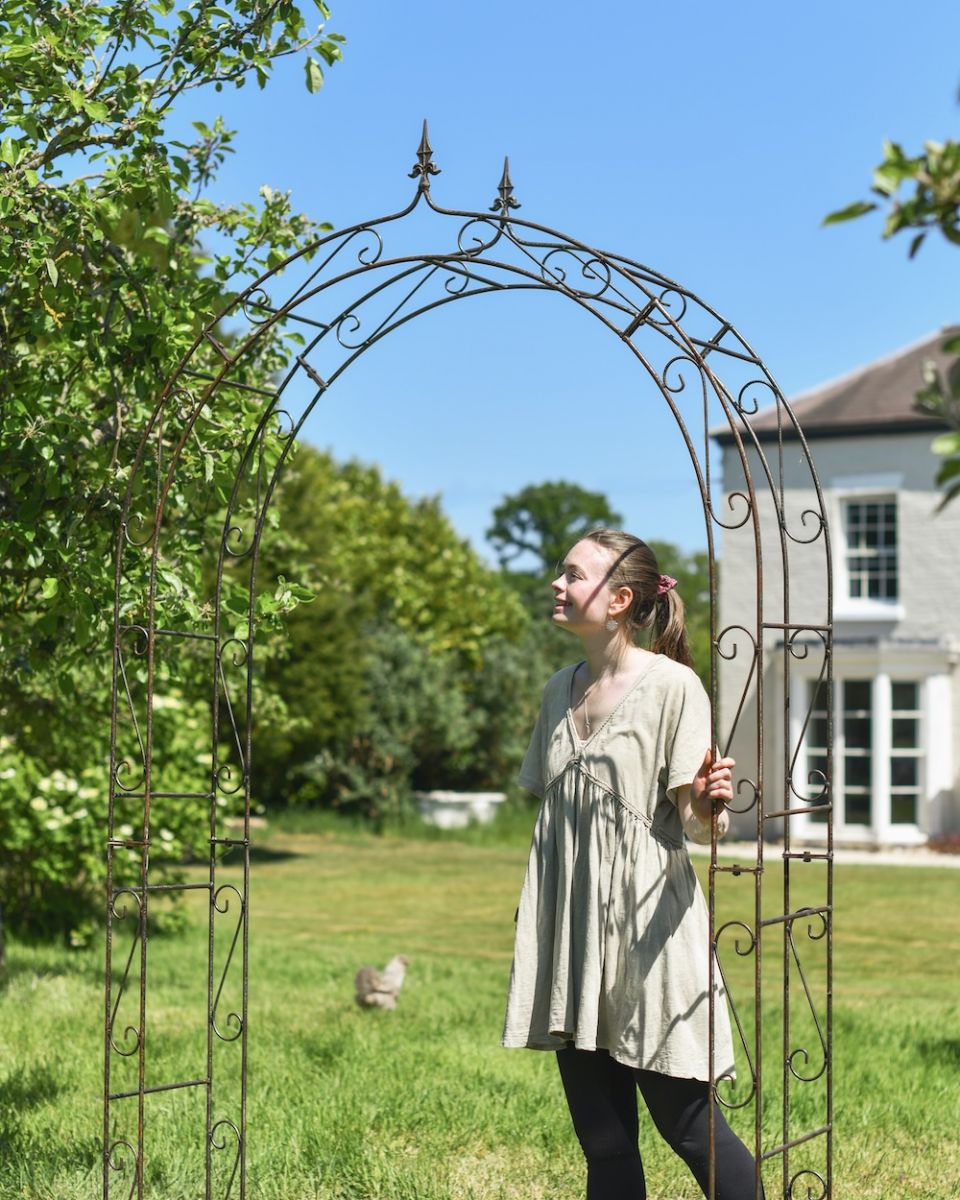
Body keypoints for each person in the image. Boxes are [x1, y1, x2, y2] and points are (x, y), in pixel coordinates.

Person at [502, 529, 762, 1200]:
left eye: (573, 574)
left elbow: (700, 825)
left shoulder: (675, 687)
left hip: (649, 937)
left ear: (620, 599)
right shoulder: (560, 689)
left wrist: (709, 800)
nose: (557, 585)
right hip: (574, 938)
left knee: (692, 1129)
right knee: (605, 1146)